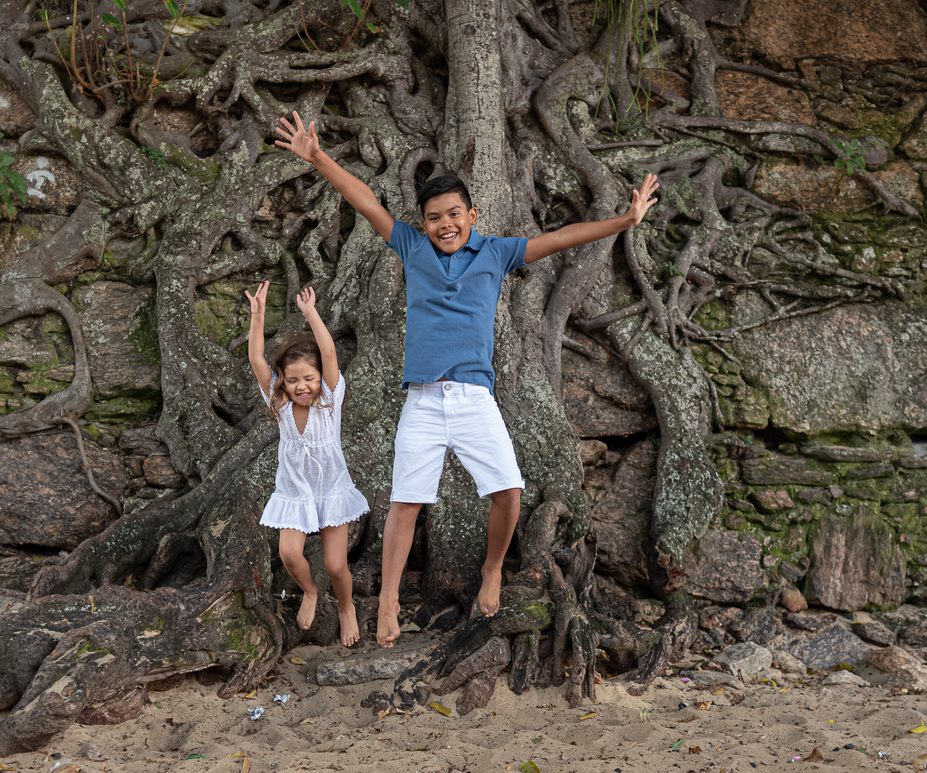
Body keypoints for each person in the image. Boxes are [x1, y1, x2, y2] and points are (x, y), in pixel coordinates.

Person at [274, 111, 659, 648]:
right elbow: (365, 202)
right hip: (424, 400)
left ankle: (494, 567)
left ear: (472, 214)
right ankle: (387, 599)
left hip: (476, 398)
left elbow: (562, 238)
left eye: (454, 214)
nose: (445, 225)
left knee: (510, 493)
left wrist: (623, 222)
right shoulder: (411, 247)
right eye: (434, 218)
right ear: (424, 223)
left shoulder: (497, 251)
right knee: (405, 502)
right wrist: (317, 158)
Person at [245, 281, 370, 647]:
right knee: (288, 553)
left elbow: (328, 353)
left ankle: (346, 607)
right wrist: (257, 316)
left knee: (336, 566)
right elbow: (256, 359)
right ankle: (311, 592)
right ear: (282, 380)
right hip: (295, 491)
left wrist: (311, 313)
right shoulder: (279, 401)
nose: (302, 386)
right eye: (293, 379)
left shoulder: (330, 397)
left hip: (332, 490)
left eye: (309, 378)